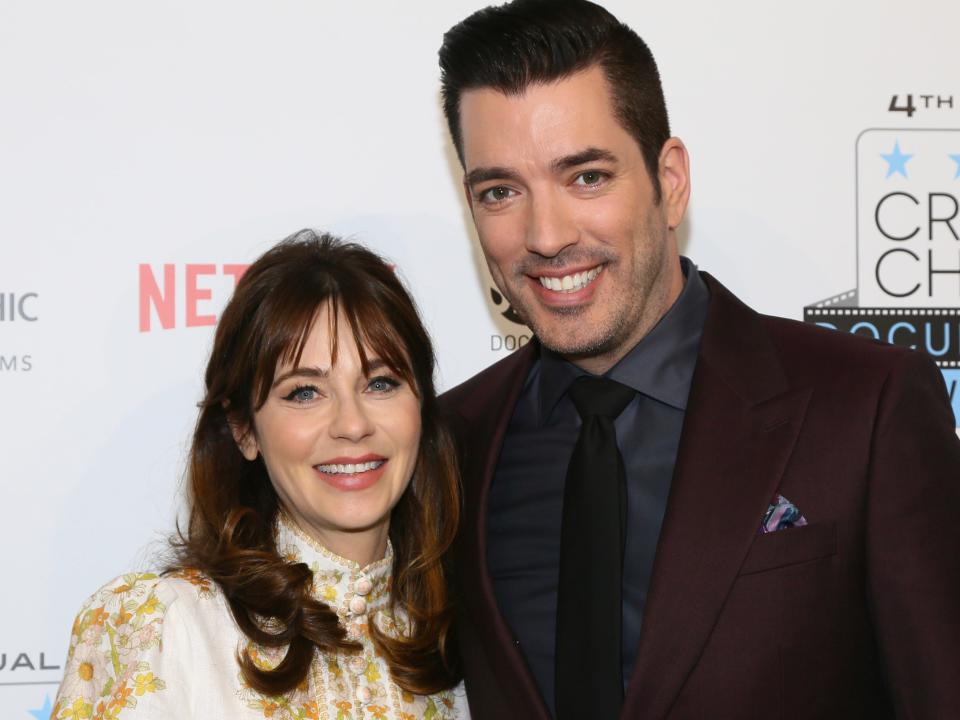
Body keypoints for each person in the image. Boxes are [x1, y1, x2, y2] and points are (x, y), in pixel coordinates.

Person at [436, 1, 960, 718]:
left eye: (586, 176)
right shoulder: (449, 442)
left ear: (670, 180)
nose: (546, 235)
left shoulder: (866, 406)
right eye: (500, 192)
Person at [53, 230, 469, 720]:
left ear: (422, 405)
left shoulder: (463, 642)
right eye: (304, 392)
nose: (353, 425)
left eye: (380, 383)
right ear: (244, 430)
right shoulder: (165, 627)